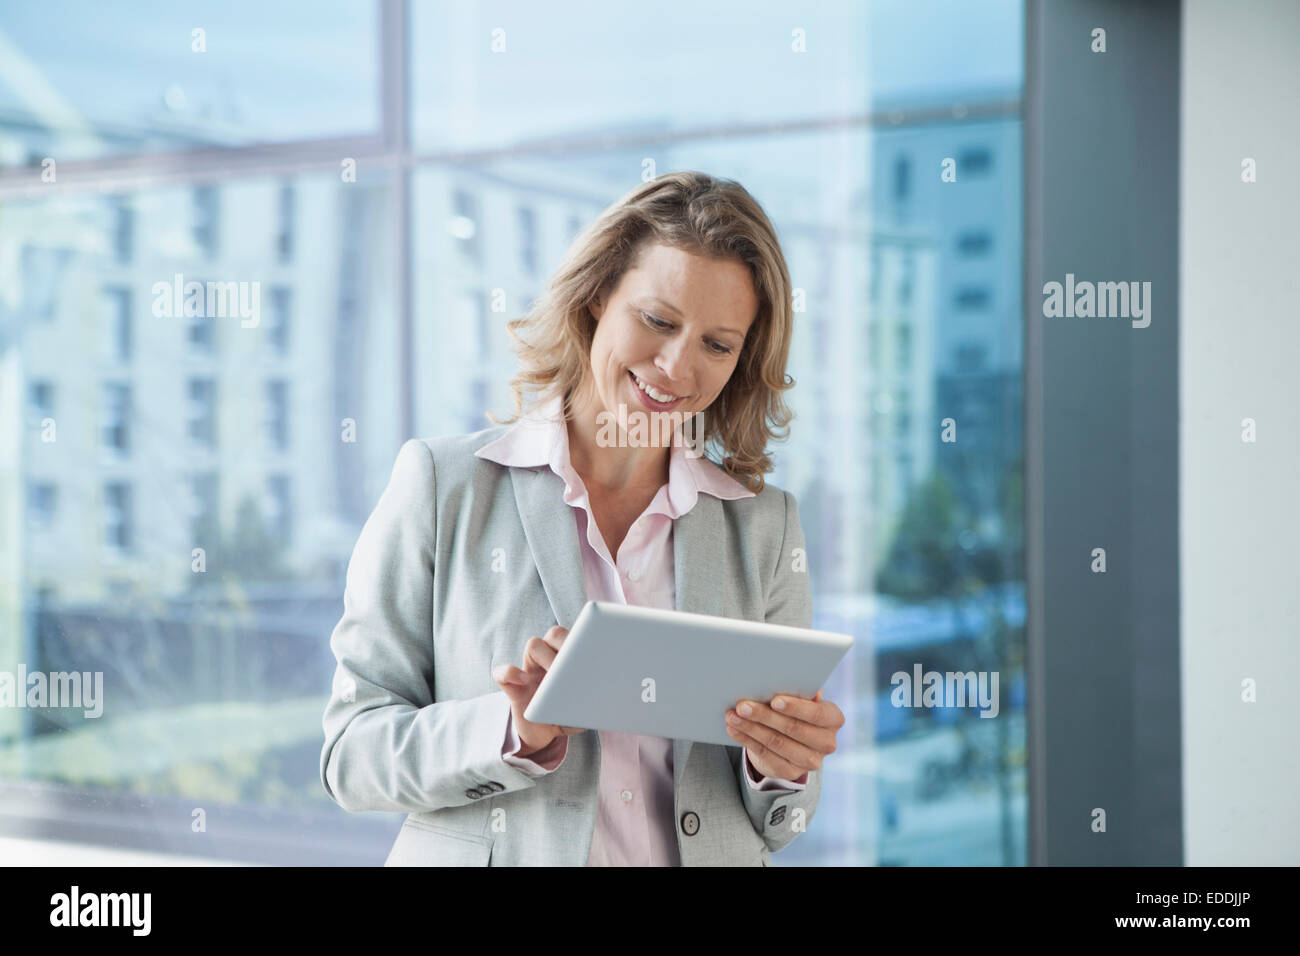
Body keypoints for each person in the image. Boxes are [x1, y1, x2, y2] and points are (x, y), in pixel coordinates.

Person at [320, 171, 844, 866]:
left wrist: (783, 766)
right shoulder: (444, 487)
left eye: (717, 345)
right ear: (598, 296)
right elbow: (350, 757)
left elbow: (781, 820)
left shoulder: (765, 528)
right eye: (658, 321)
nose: (676, 367)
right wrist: (511, 730)